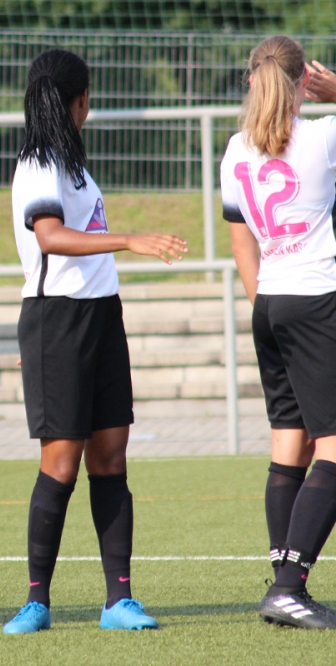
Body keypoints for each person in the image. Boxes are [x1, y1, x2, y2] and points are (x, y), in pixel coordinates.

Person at [3, 49, 187, 635]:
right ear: (80, 100)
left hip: (103, 315)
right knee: (60, 463)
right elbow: (51, 237)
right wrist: (129, 239)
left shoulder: (70, 160)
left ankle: (119, 600)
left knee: (110, 458)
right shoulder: (38, 163)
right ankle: (36, 601)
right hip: (57, 321)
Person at [221, 36, 336, 630]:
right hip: (315, 299)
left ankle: (284, 585)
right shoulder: (322, 136)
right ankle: (290, 588)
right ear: (303, 84)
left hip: (268, 302)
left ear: (251, 80)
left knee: (288, 443)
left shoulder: (235, 148)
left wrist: (266, 306)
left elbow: (242, 243)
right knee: (334, 448)